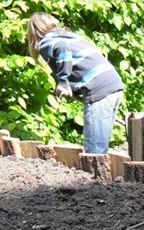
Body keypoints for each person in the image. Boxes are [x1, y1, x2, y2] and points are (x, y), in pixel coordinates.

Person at [26, 12, 124, 154]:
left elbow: (62, 49)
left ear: (34, 31)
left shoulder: (46, 41)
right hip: (113, 83)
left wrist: (63, 82)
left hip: (98, 88)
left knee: (94, 149)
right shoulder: (71, 36)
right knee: (100, 142)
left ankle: (95, 176)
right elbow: (80, 67)